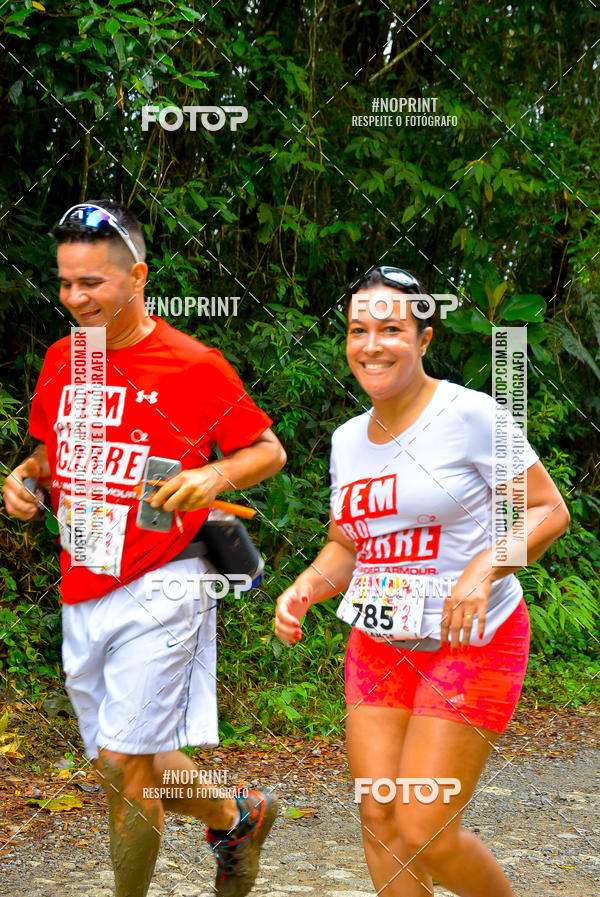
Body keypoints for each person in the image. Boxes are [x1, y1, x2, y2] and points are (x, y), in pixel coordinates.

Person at [2, 200, 286, 897]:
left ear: (137, 277)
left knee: (126, 764)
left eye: (91, 283)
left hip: (166, 579)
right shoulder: (64, 358)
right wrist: (24, 479)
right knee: (120, 762)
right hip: (83, 579)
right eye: (66, 283)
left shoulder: (193, 364)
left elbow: (267, 450)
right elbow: (49, 454)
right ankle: (236, 814)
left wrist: (213, 476)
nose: (74, 298)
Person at [275, 265, 570, 897]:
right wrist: (305, 586)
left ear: (424, 338)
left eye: (391, 329)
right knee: (381, 819)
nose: (372, 345)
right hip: (380, 643)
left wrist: (485, 567)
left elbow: (548, 510)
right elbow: (346, 545)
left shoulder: (469, 415)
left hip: (473, 640)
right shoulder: (347, 441)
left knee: (425, 828)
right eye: (358, 330)